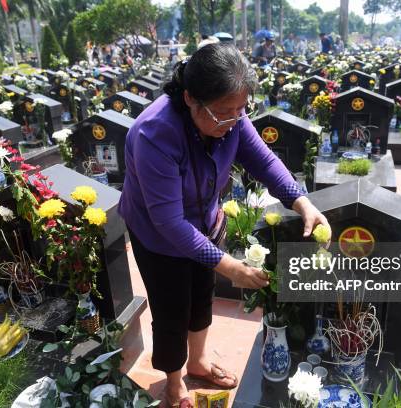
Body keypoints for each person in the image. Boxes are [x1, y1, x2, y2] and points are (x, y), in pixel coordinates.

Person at [119, 43, 329, 408]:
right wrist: (231, 265)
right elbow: (168, 221)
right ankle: (173, 381)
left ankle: (198, 360)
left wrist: (301, 201)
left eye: (240, 110)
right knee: (171, 310)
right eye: (222, 113)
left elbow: (263, 161)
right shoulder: (154, 133)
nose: (233, 121)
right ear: (190, 98)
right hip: (157, 235)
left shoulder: (230, 117)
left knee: (202, 296)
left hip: (206, 222)